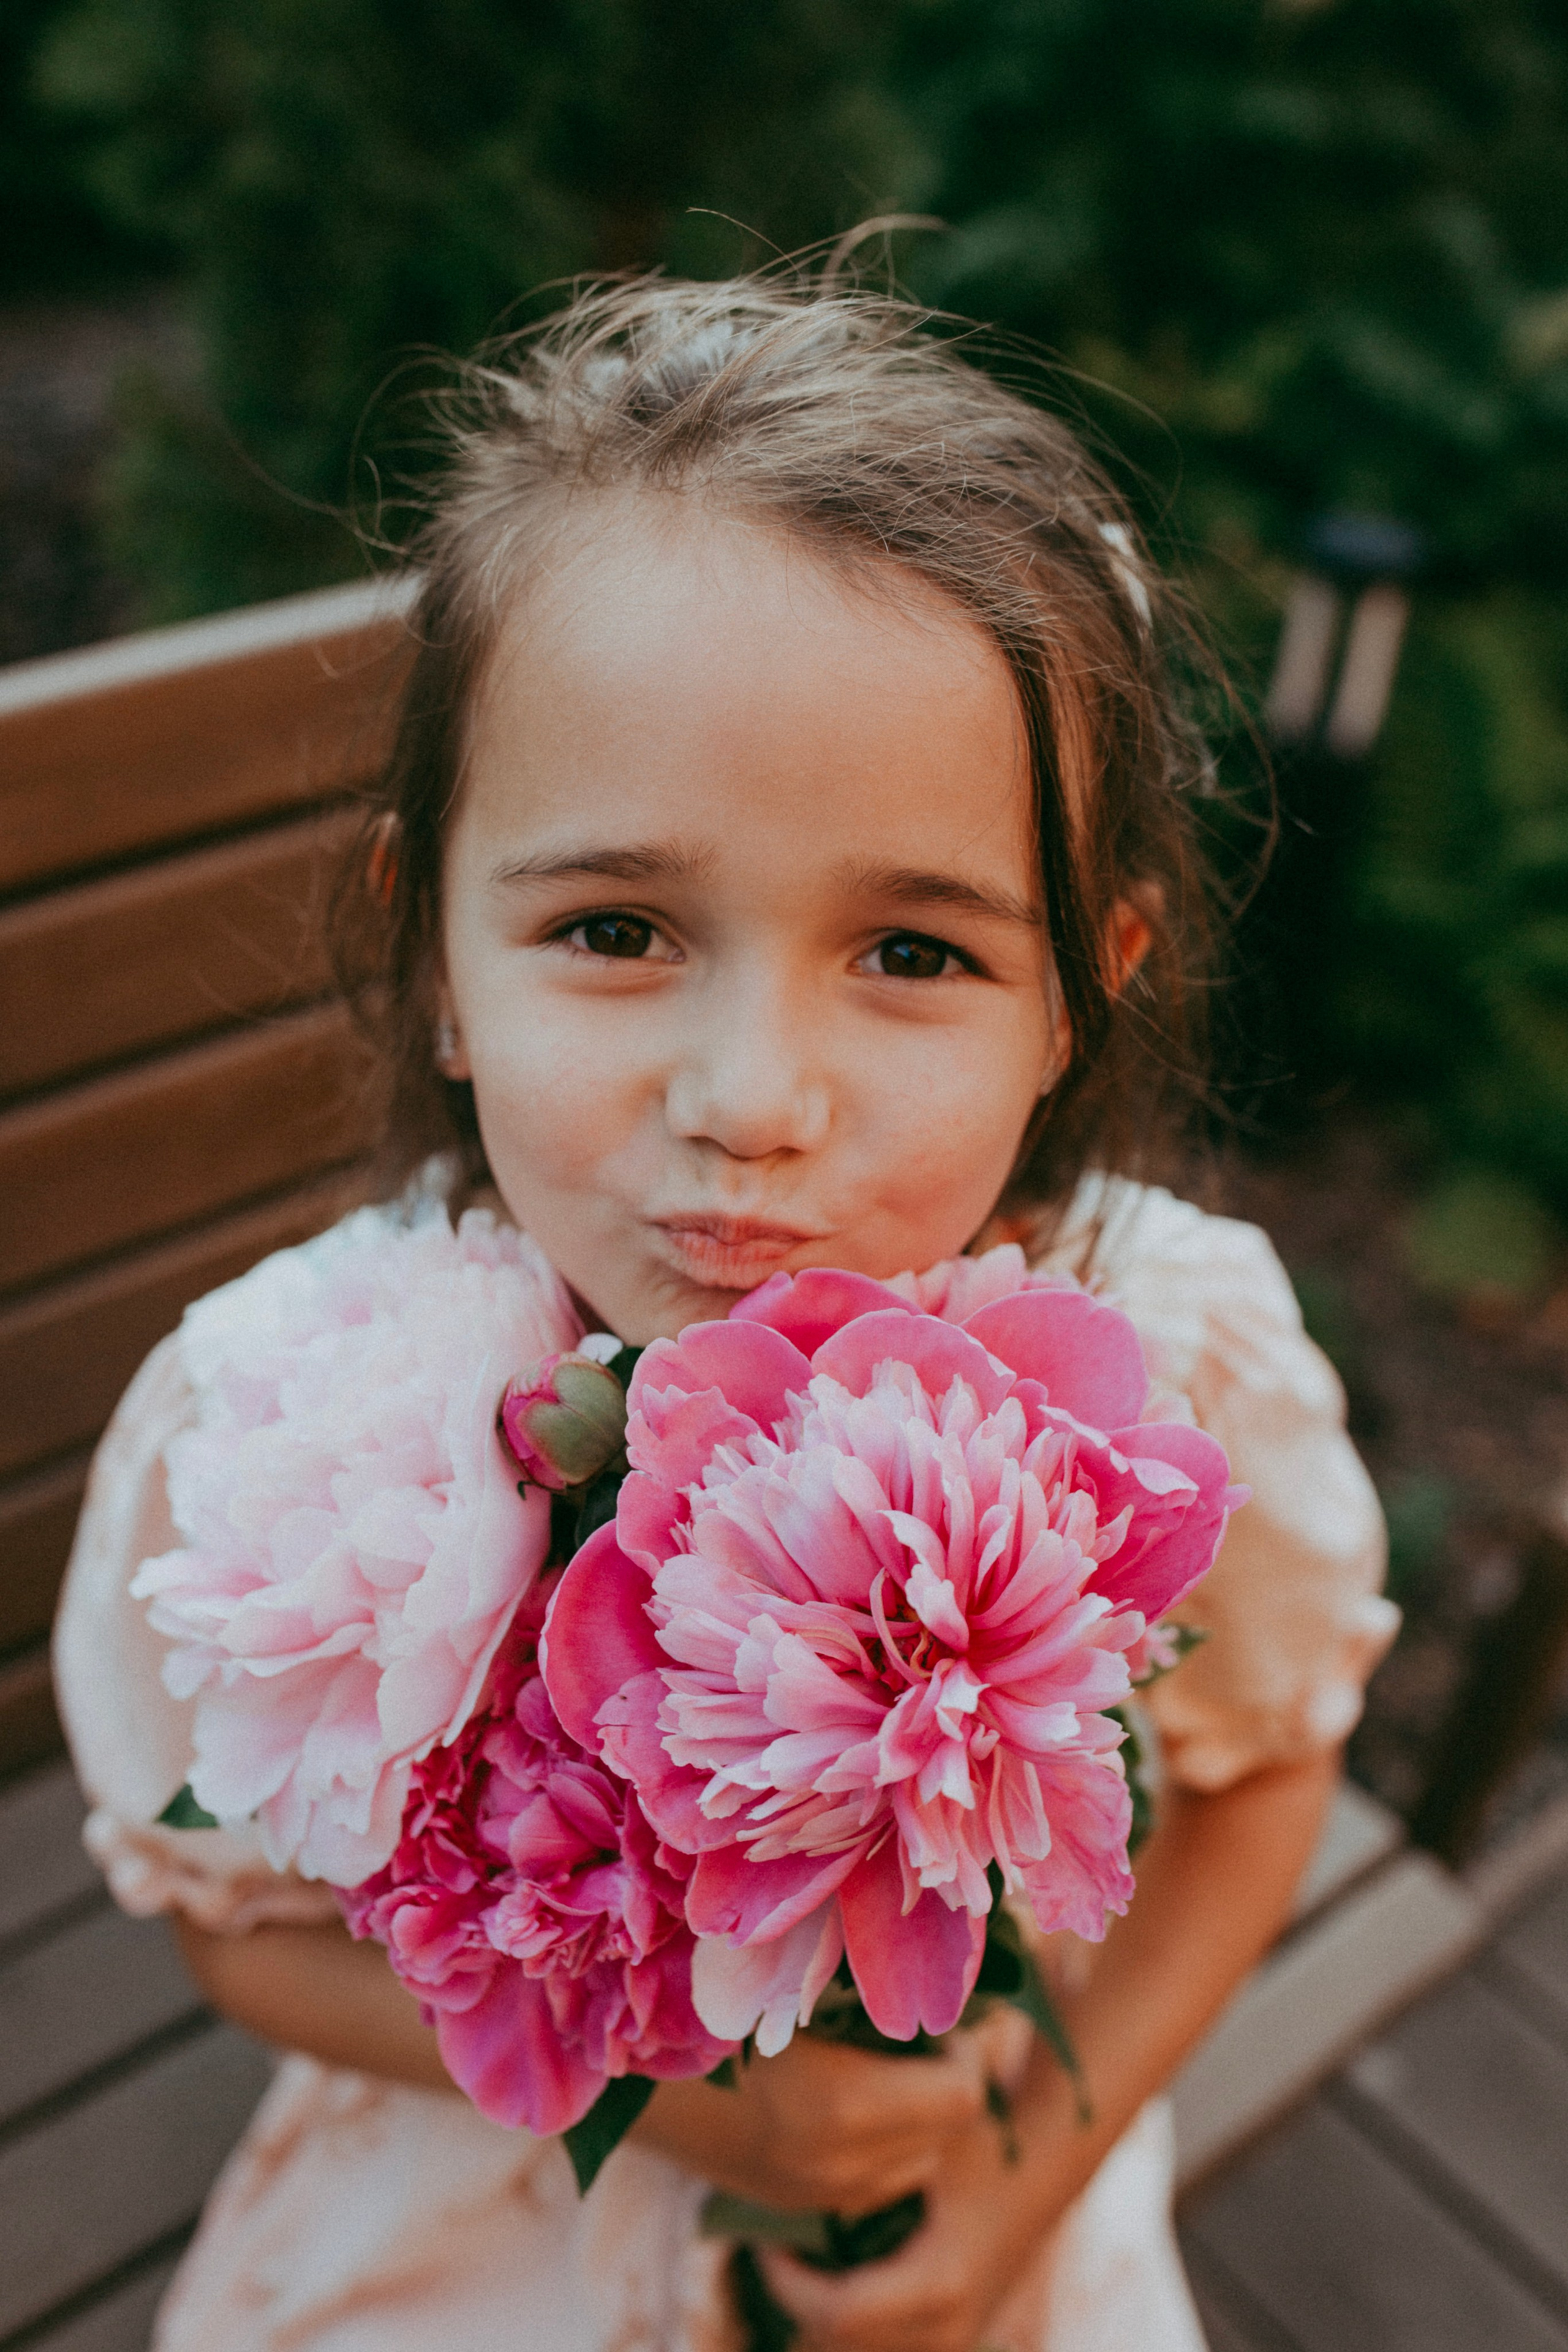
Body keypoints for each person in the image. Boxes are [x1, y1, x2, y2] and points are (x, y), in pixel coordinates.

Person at [53, 265, 1398, 2352]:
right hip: (477, 2246)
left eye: (918, 955)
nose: (750, 1103)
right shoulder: (267, 1440)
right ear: (433, 949)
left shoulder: (1178, 1357)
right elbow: (233, 1928)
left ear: (1086, 981)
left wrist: (1027, 2166)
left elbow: (1265, 1772)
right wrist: (685, 2108)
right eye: (615, 927)